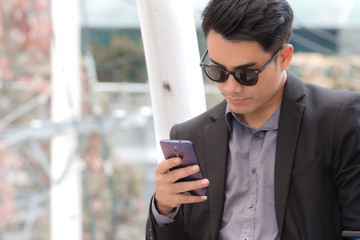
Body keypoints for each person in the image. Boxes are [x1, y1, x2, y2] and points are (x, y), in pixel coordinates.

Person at [145, 0, 360, 239]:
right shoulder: (190, 136)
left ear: (284, 57)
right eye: (217, 71)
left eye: (246, 74)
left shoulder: (339, 118)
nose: (230, 87)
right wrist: (164, 208)